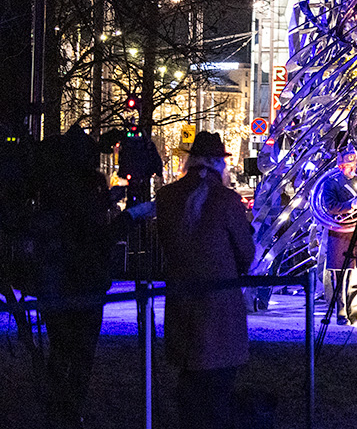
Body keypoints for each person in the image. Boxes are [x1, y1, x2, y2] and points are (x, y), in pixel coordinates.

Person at [36, 127, 150, 428]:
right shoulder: (88, 186)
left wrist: (106, 201)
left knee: (60, 352)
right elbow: (97, 239)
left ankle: (56, 412)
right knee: (81, 356)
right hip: (86, 283)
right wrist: (131, 215)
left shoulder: (55, 186)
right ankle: (71, 413)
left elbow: (76, 224)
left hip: (57, 282)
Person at [154, 131, 255, 429]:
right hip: (219, 305)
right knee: (218, 387)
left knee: (189, 384)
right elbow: (246, 252)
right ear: (217, 163)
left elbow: (166, 244)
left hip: (182, 300)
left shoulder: (167, 197)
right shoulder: (227, 200)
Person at [318, 151, 357, 325]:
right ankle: (340, 313)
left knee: (356, 275)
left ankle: (353, 314)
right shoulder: (332, 183)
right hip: (340, 233)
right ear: (341, 166)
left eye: (354, 166)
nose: (352, 169)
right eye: (348, 166)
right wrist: (352, 204)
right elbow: (330, 206)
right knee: (339, 275)